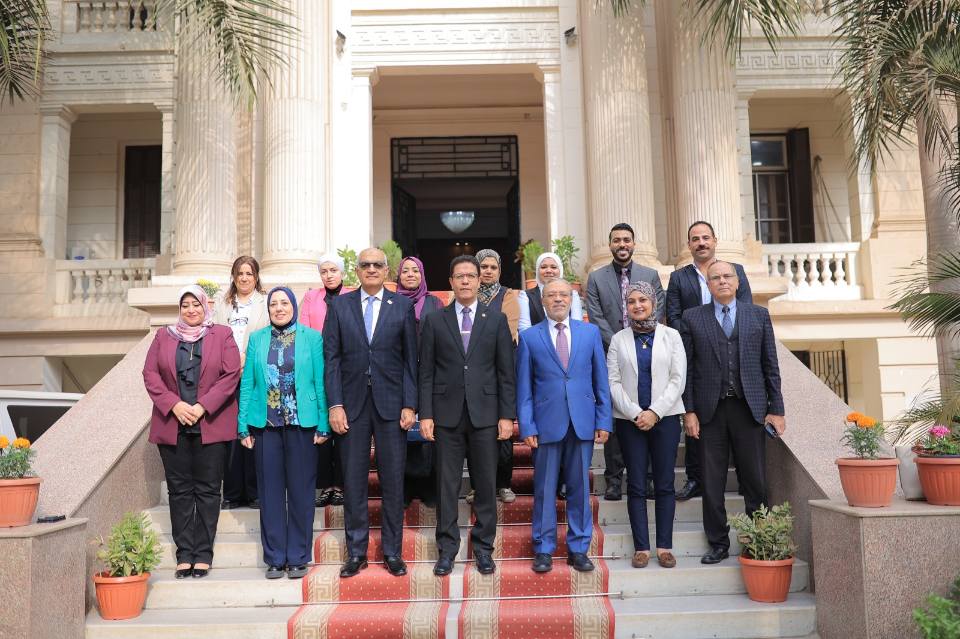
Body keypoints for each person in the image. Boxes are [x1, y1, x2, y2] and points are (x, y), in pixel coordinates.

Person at [679, 261, 785, 565]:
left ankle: (758, 540)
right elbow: (687, 369)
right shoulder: (692, 317)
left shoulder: (758, 315)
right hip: (709, 412)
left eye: (727, 276)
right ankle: (718, 543)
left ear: (738, 283)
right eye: (715, 277)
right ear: (708, 285)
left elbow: (770, 365)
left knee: (755, 480)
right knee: (712, 483)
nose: (722, 281)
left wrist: (776, 409)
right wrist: (689, 411)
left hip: (749, 408)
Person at [418, 255, 516, 578]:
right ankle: (447, 550)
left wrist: (507, 415)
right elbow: (426, 372)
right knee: (446, 486)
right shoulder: (435, 320)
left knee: (485, 484)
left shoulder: (496, 320)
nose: (465, 281)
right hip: (445, 416)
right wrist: (425, 414)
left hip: (485, 415)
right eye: (459, 276)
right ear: (450, 281)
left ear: (478, 280)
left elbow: (506, 372)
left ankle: (484, 549)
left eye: (470, 276)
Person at [323, 248, 418, 579]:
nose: (372, 269)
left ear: (387, 270)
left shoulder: (402, 306)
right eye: (366, 265)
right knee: (353, 481)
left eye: (378, 264)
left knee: (392, 481)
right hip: (351, 406)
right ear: (357, 270)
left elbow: (410, 360)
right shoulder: (340, 306)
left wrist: (410, 404)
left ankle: (392, 551)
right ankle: (356, 552)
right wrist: (335, 404)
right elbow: (331, 359)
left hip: (392, 405)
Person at [143, 285, 242, 580]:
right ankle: (184, 554)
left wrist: (202, 406)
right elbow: (150, 374)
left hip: (209, 424)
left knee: (208, 490)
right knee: (179, 491)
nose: (191, 310)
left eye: (196, 304)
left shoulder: (222, 334)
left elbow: (231, 374)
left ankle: (203, 554)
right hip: (173, 424)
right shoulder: (163, 336)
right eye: (185, 305)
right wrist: (173, 405)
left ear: (205, 306)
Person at [516, 279, 611, 574]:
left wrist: (603, 419)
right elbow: (524, 388)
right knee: (545, 488)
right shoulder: (529, 337)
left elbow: (601, 380)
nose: (558, 299)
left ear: (571, 299)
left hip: (582, 421)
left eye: (563, 295)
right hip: (546, 424)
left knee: (580, 487)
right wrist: (527, 425)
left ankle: (578, 548)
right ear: (542, 301)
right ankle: (543, 548)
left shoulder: (589, 333)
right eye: (551, 295)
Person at [237, 287, 330, 580]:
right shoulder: (257, 339)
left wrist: (324, 422)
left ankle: (299, 556)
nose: (279, 308)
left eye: (284, 303)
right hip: (266, 425)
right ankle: (275, 557)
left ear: (293, 306)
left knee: (302, 493)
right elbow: (248, 383)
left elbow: (320, 381)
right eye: (274, 304)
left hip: (303, 425)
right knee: (270, 493)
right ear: (268, 310)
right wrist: (242, 425)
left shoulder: (312, 338)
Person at [666, 221, 753, 501]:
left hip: (731, 353)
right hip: (695, 354)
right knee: (696, 417)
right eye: (695, 239)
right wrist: (694, 336)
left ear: (715, 240)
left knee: (739, 421)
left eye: (705, 237)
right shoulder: (679, 278)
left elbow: (747, 309)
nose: (701, 242)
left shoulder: (734, 271)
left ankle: (745, 478)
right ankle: (695, 478)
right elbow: (673, 315)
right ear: (689, 245)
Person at [607, 282, 686, 569]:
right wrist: (635, 412)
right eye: (631, 301)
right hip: (630, 422)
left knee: (664, 483)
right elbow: (613, 381)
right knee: (637, 484)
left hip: (665, 419)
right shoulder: (618, 339)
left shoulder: (671, 336)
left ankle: (664, 547)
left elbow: (678, 379)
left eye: (642, 299)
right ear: (626, 307)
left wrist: (655, 411)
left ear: (653, 302)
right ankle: (641, 547)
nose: (637, 305)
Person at [584, 222, 664, 502]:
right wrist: (620, 342)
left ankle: (648, 478)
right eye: (617, 240)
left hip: (647, 352)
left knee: (646, 408)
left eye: (626, 240)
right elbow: (595, 316)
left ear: (634, 244)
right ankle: (614, 480)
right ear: (610, 245)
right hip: (611, 353)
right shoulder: (596, 278)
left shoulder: (650, 275)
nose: (622, 244)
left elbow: (657, 308)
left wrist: (635, 340)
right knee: (616, 416)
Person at [213, 256, 268, 510]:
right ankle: (233, 493)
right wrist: (230, 361)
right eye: (240, 273)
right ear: (233, 277)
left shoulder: (265, 302)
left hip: (255, 373)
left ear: (256, 277)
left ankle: (255, 492)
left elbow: (268, 335)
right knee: (231, 432)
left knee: (252, 428)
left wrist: (247, 357)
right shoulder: (223, 304)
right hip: (226, 374)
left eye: (249, 273)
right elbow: (214, 336)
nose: (244, 278)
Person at [300, 254, 352, 509]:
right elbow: (305, 331)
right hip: (318, 366)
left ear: (342, 272)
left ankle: (341, 484)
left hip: (346, 368)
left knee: (343, 428)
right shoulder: (312, 297)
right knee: (320, 427)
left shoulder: (353, 294)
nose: (329, 275)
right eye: (324, 271)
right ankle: (325, 485)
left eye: (333, 270)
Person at [475, 248, 523, 504]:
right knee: (475, 432)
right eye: (484, 267)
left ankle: (503, 484)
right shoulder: (466, 294)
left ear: (500, 271)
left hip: (500, 370)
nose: (488, 271)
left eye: (493, 267)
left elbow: (508, 330)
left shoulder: (508, 295)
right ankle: (478, 487)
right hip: (472, 374)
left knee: (502, 430)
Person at [395, 255, 444, 508]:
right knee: (401, 431)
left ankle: (428, 489)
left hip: (430, 375)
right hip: (399, 375)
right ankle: (404, 489)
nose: (410, 275)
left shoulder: (435, 303)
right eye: (405, 271)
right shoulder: (391, 302)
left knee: (428, 432)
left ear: (422, 275)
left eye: (415, 270)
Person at [518, 252, 584, 330]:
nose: (548, 270)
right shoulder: (525, 296)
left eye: (553, 267)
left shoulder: (572, 294)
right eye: (543, 267)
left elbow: (577, 326)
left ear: (560, 270)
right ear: (537, 270)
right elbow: (524, 329)